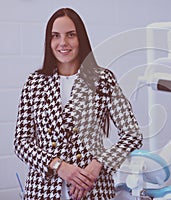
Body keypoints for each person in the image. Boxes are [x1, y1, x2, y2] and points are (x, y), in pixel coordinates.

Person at [14, 7, 143, 200]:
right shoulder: (35, 83)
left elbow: (132, 134)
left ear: (81, 38)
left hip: (93, 189)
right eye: (55, 36)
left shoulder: (102, 80)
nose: (63, 43)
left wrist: (98, 164)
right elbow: (22, 142)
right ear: (49, 41)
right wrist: (59, 166)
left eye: (71, 35)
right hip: (42, 191)